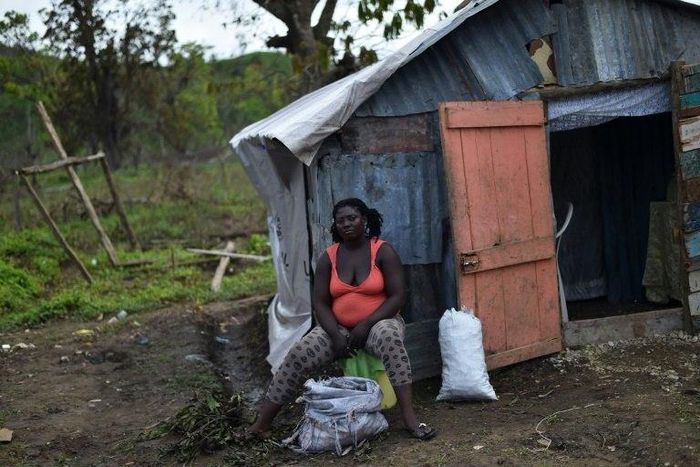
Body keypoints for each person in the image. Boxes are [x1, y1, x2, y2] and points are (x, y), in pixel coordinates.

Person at [249, 198, 436, 440]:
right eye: (340, 220)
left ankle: (410, 419)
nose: (346, 224)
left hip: (378, 323)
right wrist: (336, 335)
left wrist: (366, 324)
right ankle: (262, 423)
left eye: (352, 218)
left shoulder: (382, 251)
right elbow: (320, 303)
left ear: (364, 220)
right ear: (335, 226)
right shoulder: (329, 257)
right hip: (337, 328)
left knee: (391, 339)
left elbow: (398, 297)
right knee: (297, 355)